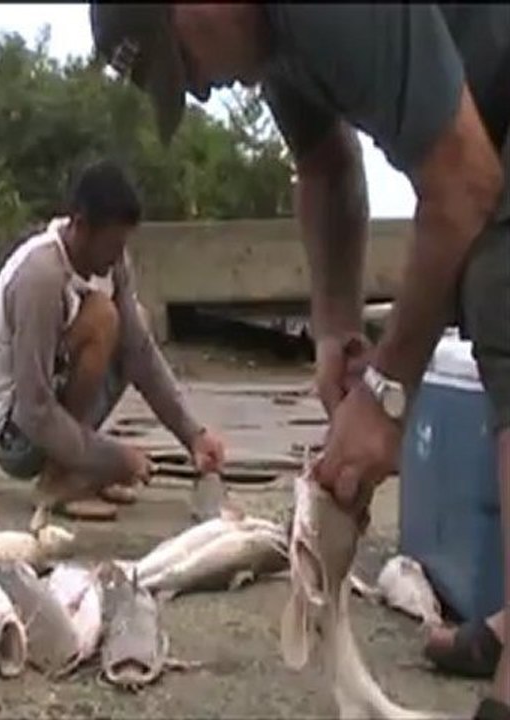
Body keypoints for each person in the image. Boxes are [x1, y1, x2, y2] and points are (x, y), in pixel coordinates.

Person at [88, 4, 510, 718]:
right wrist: (336, 328)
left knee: (503, 284)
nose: (196, 91)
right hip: (487, 112)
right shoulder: (272, 48)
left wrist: (387, 394)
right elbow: (326, 165)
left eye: (182, 64)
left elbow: (463, 182)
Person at [0, 158, 226, 523]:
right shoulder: (41, 279)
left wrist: (194, 436)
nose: (117, 256)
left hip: (50, 417)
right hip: (17, 435)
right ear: (80, 226)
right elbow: (33, 410)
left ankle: (77, 469)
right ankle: (59, 479)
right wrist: (113, 457)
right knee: (101, 318)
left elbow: (139, 353)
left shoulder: (112, 263)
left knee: (132, 320)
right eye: (112, 244)